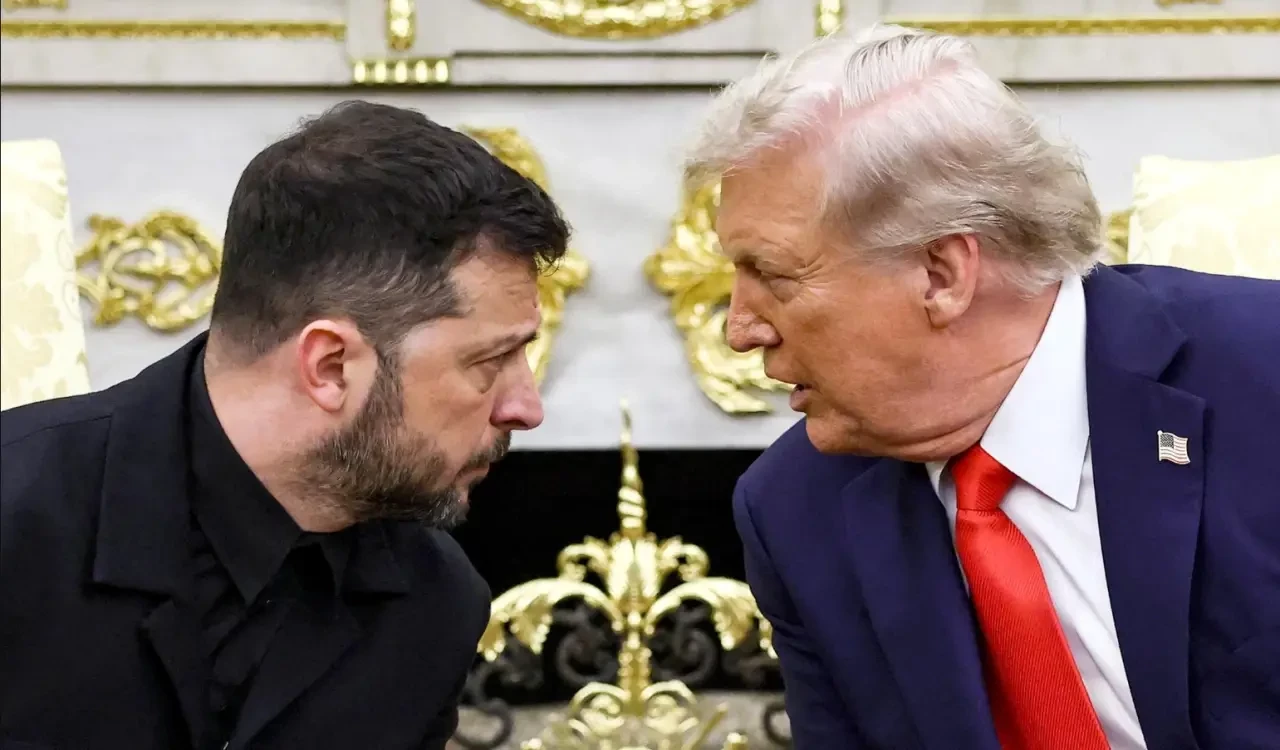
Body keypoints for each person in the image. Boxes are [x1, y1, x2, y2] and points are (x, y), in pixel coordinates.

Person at [684, 24, 1280, 750]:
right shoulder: (796, 510)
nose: (740, 330)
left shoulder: (1262, 377)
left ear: (942, 275)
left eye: (772, 275)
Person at [1, 101, 569, 750]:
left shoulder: (436, 604)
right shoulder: (16, 521)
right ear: (329, 366)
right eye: (490, 361)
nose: (526, 407)